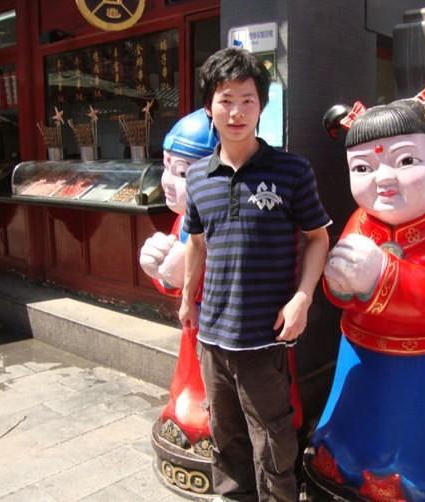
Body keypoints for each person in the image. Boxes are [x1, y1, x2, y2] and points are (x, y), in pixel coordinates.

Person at [307, 88, 425, 501]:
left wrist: (380, 274)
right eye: (363, 167)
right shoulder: (361, 219)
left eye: (405, 161)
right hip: (360, 347)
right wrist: (341, 283)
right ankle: (344, 461)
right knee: (353, 415)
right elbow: (341, 287)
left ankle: (413, 478)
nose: (383, 179)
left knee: (415, 429)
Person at [179, 47, 331, 502]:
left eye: (247, 100)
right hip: (212, 336)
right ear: (209, 107)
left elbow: (318, 238)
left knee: (272, 441)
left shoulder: (291, 170)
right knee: (226, 438)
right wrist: (187, 298)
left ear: (261, 105)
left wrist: (303, 298)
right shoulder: (197, 177)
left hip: (264, 337)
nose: (237, 112)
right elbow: (196, 242)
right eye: (225, 100)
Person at [139, 108, 217, 458]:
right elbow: (173, 278)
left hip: (224, 330)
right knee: (189, 382)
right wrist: (160, 271)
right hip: (193, 326)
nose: (168, 182)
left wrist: (186, 277)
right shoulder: (183, 220)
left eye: (183, 172)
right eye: (167, 167)